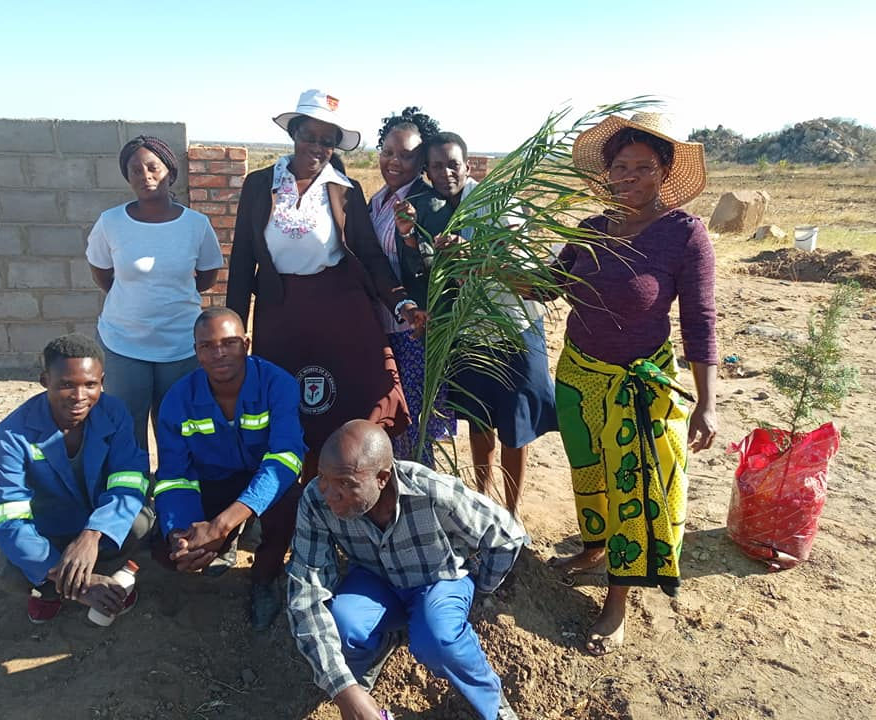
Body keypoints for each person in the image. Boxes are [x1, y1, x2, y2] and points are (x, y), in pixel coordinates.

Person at [549, 112, 718, 655]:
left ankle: (617, 602)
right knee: (589, 472)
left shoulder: (684, 235)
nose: (630, 177)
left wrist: (707, 403)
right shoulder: (590, 230)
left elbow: (700, 319)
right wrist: (479, 259)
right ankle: (593, 547)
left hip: (639, 388)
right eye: (620, 167)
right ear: (607, 173)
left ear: (663, 171)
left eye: (643, 167)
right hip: (578, 376)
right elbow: (545, 287)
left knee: (634, 491)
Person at [225, 89, 427, 482]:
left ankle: (343, 485)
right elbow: (242, 260)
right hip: (279, 312)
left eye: (327, 141)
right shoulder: (259, 185)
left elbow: (370, 257)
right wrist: (234, 325)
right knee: (286, 406)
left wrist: (401, 303)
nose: (317, 147)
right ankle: (286, 499)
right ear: (294, 133)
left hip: (339, 311)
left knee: (348, 403)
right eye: (309, 136)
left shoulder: (344, 189)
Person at [287, 420, 526, 720]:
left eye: (346, 483)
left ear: (383, 478)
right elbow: (306, 591)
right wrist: (342, 688)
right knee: (343, 624)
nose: (330, 493)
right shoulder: (315, 500)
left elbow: (507, 534)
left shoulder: (432, 492)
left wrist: (481, 585)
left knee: (438, 640)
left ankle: (493, 705)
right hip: (374, 581)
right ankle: (375, 653)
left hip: (436, 582)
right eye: (323, 477)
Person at [396, 131, 559, 513]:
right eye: (436, 166)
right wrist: (409, 238)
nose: (445, 172)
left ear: (467, 166)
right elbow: (425, 272)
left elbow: (520, 260)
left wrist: (475, 256)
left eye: (453, 164)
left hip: (513, 329)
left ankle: (512, 510)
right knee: (478, 419)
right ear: (427, 171)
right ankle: (484, 502)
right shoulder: (432, 209)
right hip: (468, 334)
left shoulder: (498, 204)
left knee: (515, 427)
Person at [153, 307, 306, 630]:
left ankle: (265, 578)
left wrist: (221, 525)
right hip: (214, 481)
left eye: (230, 343)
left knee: (288, 502)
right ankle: (224, 542)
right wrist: (180, 533)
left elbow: (285, 459)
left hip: (264, 480)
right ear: (196, 351)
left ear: (247, 344)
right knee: (162, 552)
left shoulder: (278, 384)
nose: (219, 353)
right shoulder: (178, 399)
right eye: (207, 346)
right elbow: (174, 475)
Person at [0, 334, 153, 624]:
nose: (80, 396)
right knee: (11, 571)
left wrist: (92, 534)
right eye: (66, 385)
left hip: (96, 526)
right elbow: (9, 517)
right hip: (48, 533)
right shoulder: (14, 433)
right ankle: (56, 591)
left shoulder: (114, 413)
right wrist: (81, 584)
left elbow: (130, 481)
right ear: (44, 381)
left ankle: (98, 575)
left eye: (90, 384)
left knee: (140, 522)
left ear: (102, 381)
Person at [86, 135, 224, 452]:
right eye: (136, 170)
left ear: (170, 173)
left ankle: (172, 492)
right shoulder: (111, 222)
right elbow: (103, 274)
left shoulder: (196, 225)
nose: (145, 176)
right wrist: (136, 299)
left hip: (180, 345)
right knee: (125, 428)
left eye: (153, 168)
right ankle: (132, 495)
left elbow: (206, 278)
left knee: (176, 426)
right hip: (124, 343)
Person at [368, 107, 454, 464]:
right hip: (380, 327)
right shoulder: (378, 201)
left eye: (406, 155)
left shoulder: (428, 203)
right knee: (390, 419)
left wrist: (411, 238)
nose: (394, 161)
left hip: (414, 332)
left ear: (421, 161)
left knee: (415, 425)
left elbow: (434, 271)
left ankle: (420, 501)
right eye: (388, 152)